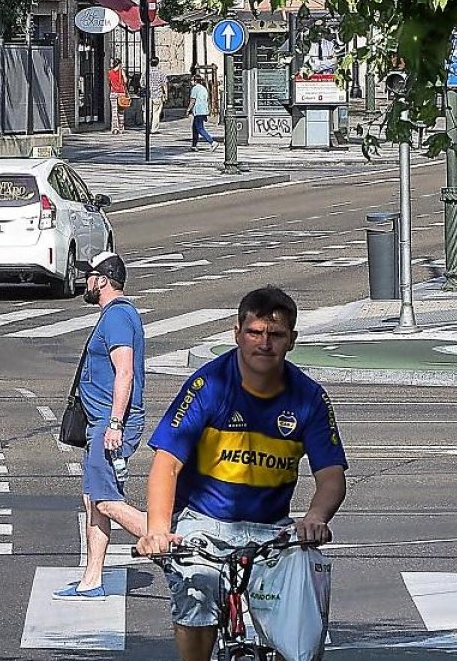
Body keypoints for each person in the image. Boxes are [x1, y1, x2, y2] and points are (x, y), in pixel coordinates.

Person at [136, 286, 348, 661]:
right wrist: (156, 531)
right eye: (254, 333)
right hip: (205, 525)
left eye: (276, 335)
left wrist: (315, 517)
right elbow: (166, 463)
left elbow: (331, 476)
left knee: (300, 633)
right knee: (194, 594)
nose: (264, 343)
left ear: (292, 341)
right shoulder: (208, 385)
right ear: (237, 333)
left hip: (273, 529)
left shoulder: (310, 397)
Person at [53, 252, 147, 601]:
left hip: (110, 424)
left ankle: (167, 540)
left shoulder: (118, 318)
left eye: (89, 276)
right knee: (93, 498)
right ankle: (91, 579)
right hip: (103, 422)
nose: (85, 283)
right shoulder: (116, 315)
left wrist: (114, 424)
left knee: (106, 501)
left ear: (103, 280)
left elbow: (125, 371)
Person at [187, 76, 218, 151]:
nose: (190, 82)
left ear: (195, 81)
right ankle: (194, 145)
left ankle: (212, 142)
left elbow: (193, 100)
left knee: (200, 128)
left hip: (198, 110)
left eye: (191, 80)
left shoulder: (195, 88)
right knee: (195, 128)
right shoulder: (204, 88)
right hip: (204, 110)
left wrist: (188, 109)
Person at [146, 58, 168, 133]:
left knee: (148, 111)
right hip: (158, 95)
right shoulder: (161, 73)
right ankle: (154, 129)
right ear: (158, 63)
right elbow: (164, 84)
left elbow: (142, 83)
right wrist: (166, 94)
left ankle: (147, 127)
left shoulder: (146, 72)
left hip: (148, 94)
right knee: (156, 112)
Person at [107, 58, 128, 135]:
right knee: (121, 112)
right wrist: (123, 75)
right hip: (121, 93)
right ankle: (121, 128)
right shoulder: (121, 71)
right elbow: (125, 81)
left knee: (114, 111)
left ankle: (115, 128)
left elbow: (109, 83)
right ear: (119, 64)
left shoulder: (110, 72)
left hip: (113, 93)